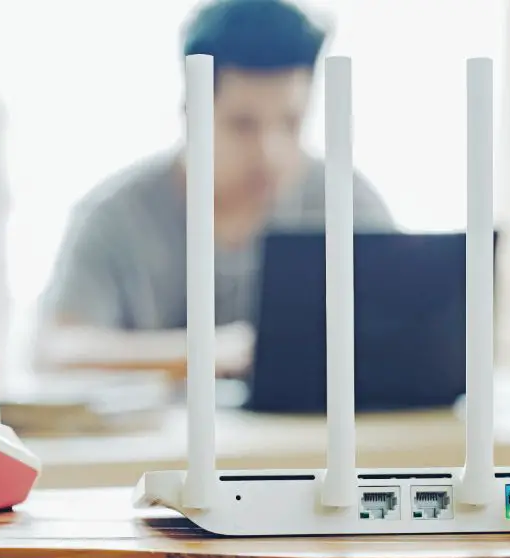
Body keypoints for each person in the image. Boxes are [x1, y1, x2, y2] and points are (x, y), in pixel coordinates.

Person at [33, 0, 395, 375]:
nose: (269, 153)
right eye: (242, 125)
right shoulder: (116, 216)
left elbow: (407, 331)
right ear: (191, 113)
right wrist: (205, 352)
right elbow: (59, 346)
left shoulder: (346, 203)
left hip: (305, 434)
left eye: (290, 123)